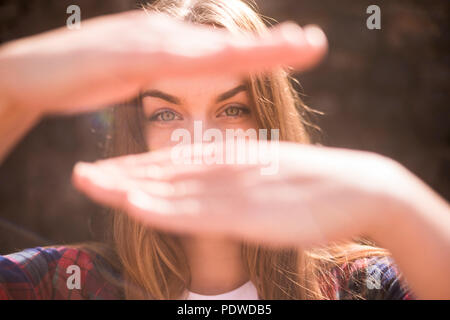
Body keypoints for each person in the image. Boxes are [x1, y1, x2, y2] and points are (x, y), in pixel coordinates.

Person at [0, 0, 448, 300]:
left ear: (269, 122)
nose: (200, 141)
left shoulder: (363, 286)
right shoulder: (67, 283)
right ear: (135, 135)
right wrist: (11, 83)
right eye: (165, 113)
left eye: (233, 109)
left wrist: (394, 200)